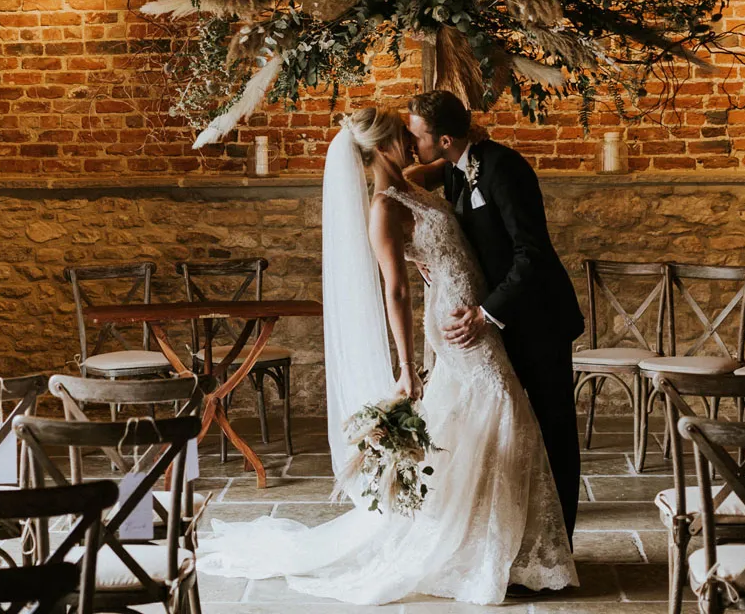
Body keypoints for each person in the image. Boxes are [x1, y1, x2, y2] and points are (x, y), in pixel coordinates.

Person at [196, 107, 576, 606]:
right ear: (380, 147)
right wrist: (406, 367)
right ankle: (488, 548)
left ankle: (503, 545)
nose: (411, 140)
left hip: (476, 310)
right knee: (501, 409)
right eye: (402, 135)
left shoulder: (415, 181)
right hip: (457, 322)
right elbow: (394, 290)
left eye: (412, 133)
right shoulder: (382, 208)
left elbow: (455, 161)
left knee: (492, 420)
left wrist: (469, 134)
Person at [405, 90, 584, 543]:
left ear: (444, 140)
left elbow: (531, 253)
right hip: (501, 326)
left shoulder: (504, 168)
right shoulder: (453, 169)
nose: (412, 144)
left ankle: (560, 542)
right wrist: (430, 258)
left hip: (539, 318)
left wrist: (486, 313)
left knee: (553, 429)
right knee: (515, 431)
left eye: (417, 136)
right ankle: (520, 538)